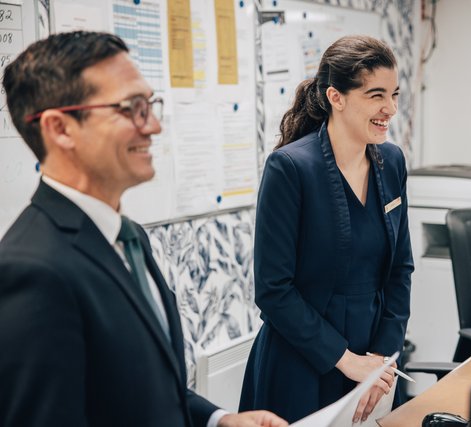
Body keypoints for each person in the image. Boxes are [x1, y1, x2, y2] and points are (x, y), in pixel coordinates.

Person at [0, 31, 287, 427]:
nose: (152, 126)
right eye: (132, 108)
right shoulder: (31, 271)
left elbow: (144, 384)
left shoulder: (130, 236)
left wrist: (218, 420)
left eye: (151, 105)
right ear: (60, 128)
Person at [239, 35, 414, 423]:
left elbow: (400, 269)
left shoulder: (392, 161)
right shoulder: (290, 168)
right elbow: (273, 290)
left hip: (374, 362)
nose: (390, 109)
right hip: (303, 360)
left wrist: (381, 360)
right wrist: (346, 361)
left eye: (395, 94)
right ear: (336, 97)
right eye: (376, 95)